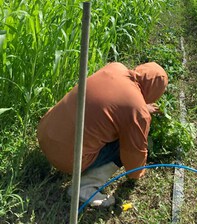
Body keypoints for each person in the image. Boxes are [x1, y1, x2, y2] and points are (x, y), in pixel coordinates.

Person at [37, 61, 168, 207]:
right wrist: (136, 174)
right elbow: (133, 155)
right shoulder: (137, 112)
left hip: (44, 133)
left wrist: (140, 106)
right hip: (66, 158)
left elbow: (117, 101)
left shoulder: (115, 68)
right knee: (125, 145)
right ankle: (84, 188)